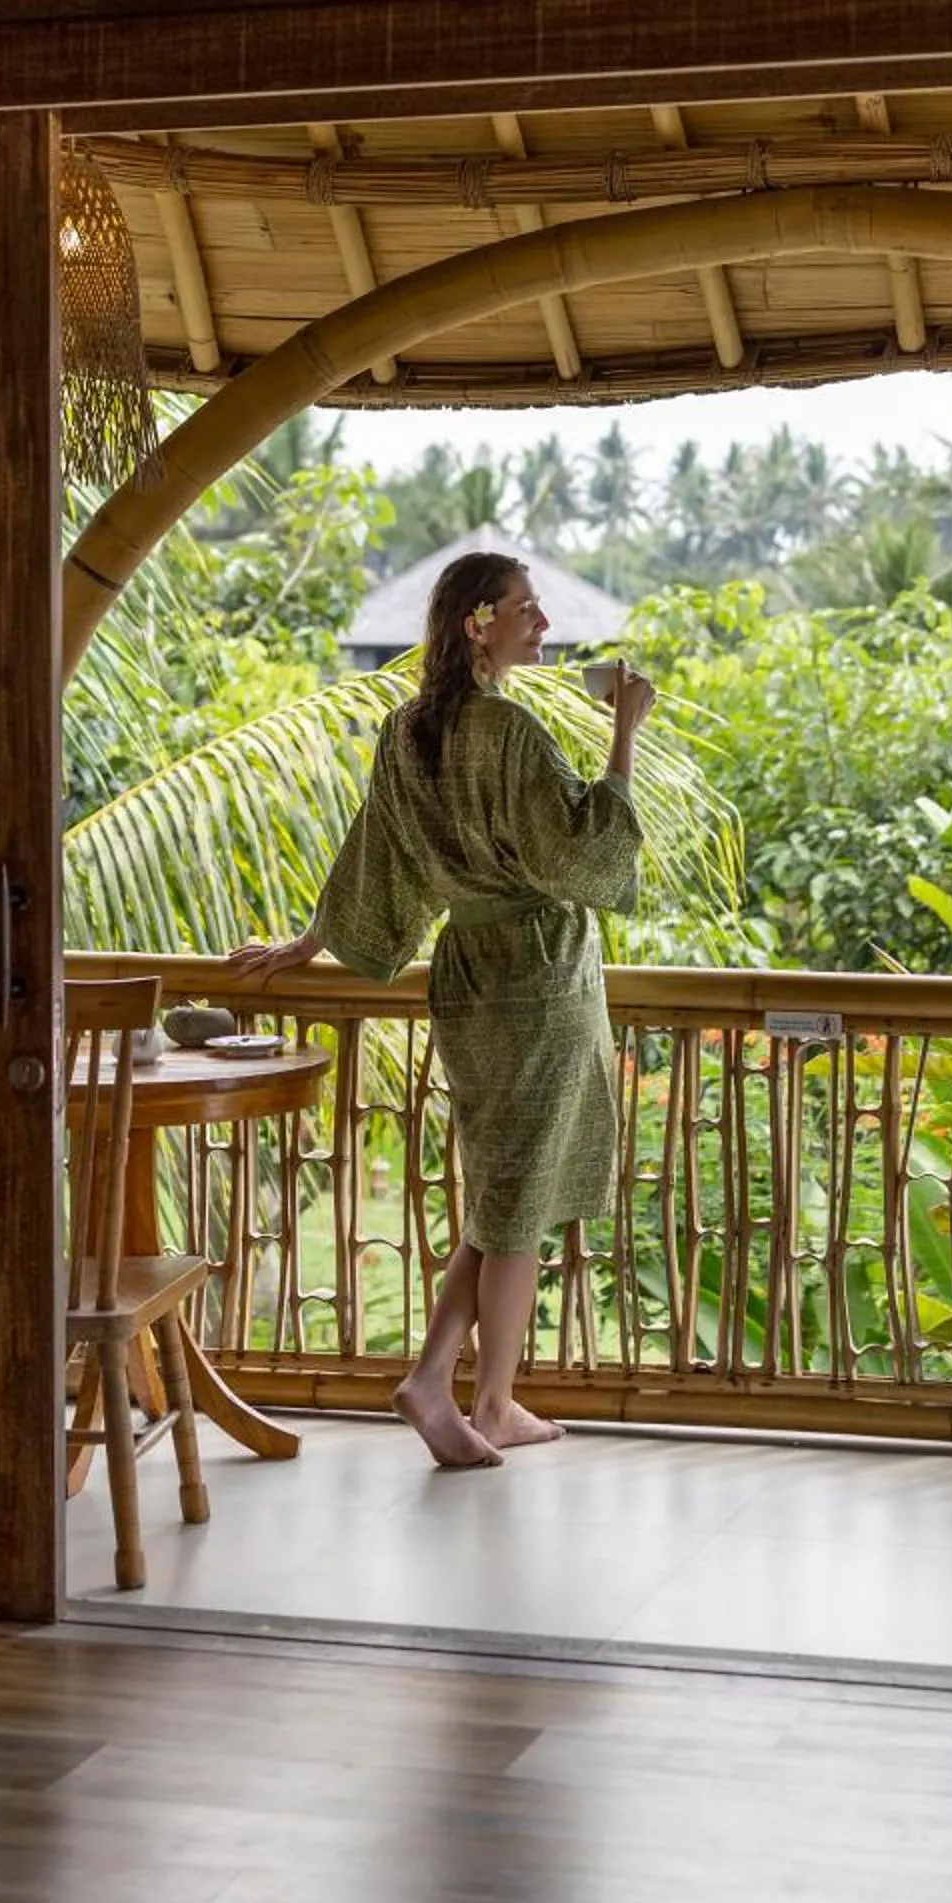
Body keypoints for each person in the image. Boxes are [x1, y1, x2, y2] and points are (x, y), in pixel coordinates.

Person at [229, 551, 656, 1469]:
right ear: (477, 623)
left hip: (467, 970)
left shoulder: (405, 730)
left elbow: (376, 851)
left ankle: (452, 1384)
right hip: (539, 976)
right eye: (525, 608)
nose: (541, 623)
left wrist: (311, 942)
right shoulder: (507, 731)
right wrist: (625, 732)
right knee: (517, 1201)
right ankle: (481, 1397)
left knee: (505, 1192)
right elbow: (578, 851)